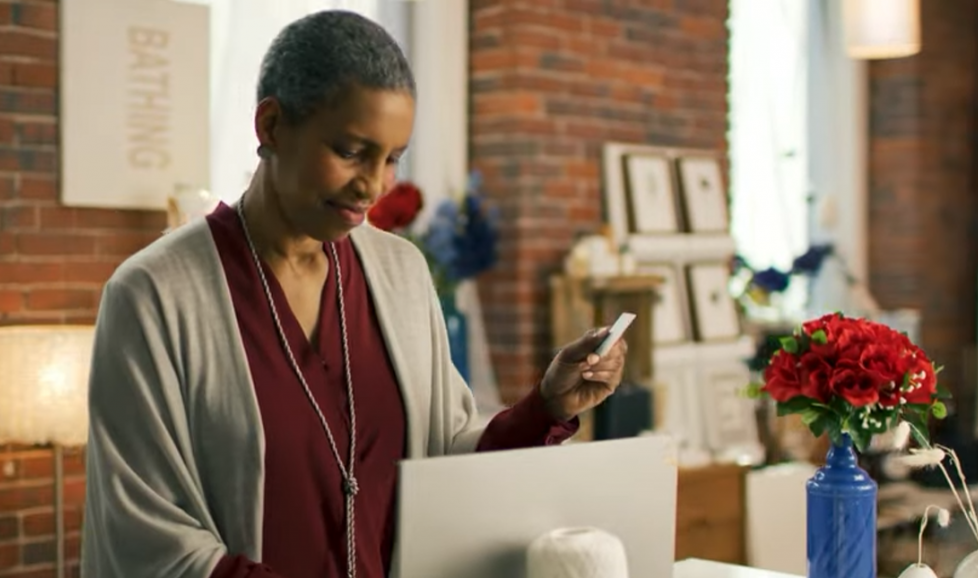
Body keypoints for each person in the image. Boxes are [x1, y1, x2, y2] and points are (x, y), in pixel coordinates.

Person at [81, 10, 628, 578]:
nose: (374, 185)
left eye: (392, 158)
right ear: (270, 126)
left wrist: (546, 407)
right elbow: (145, 535)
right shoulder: (153, 294)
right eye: (350, 151)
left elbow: (440, 465)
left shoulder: (402, 274)